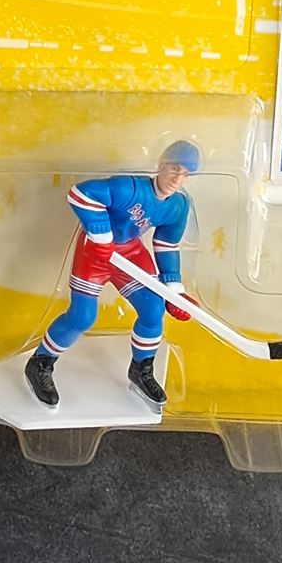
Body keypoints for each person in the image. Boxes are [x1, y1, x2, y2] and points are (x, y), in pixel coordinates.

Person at [24, 141, 199, 411]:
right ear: (161, 164)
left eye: (185, 174)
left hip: (129, 254)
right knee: (82, 317)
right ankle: (40, 363)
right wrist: (100, 233)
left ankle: (141, 371)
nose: (177, 179)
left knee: (153, 309)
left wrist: (173, 289)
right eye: (175, 168)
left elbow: (167, 244)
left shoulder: (178, 206)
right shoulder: (129, 188)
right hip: (94, 255)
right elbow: (80, 194)